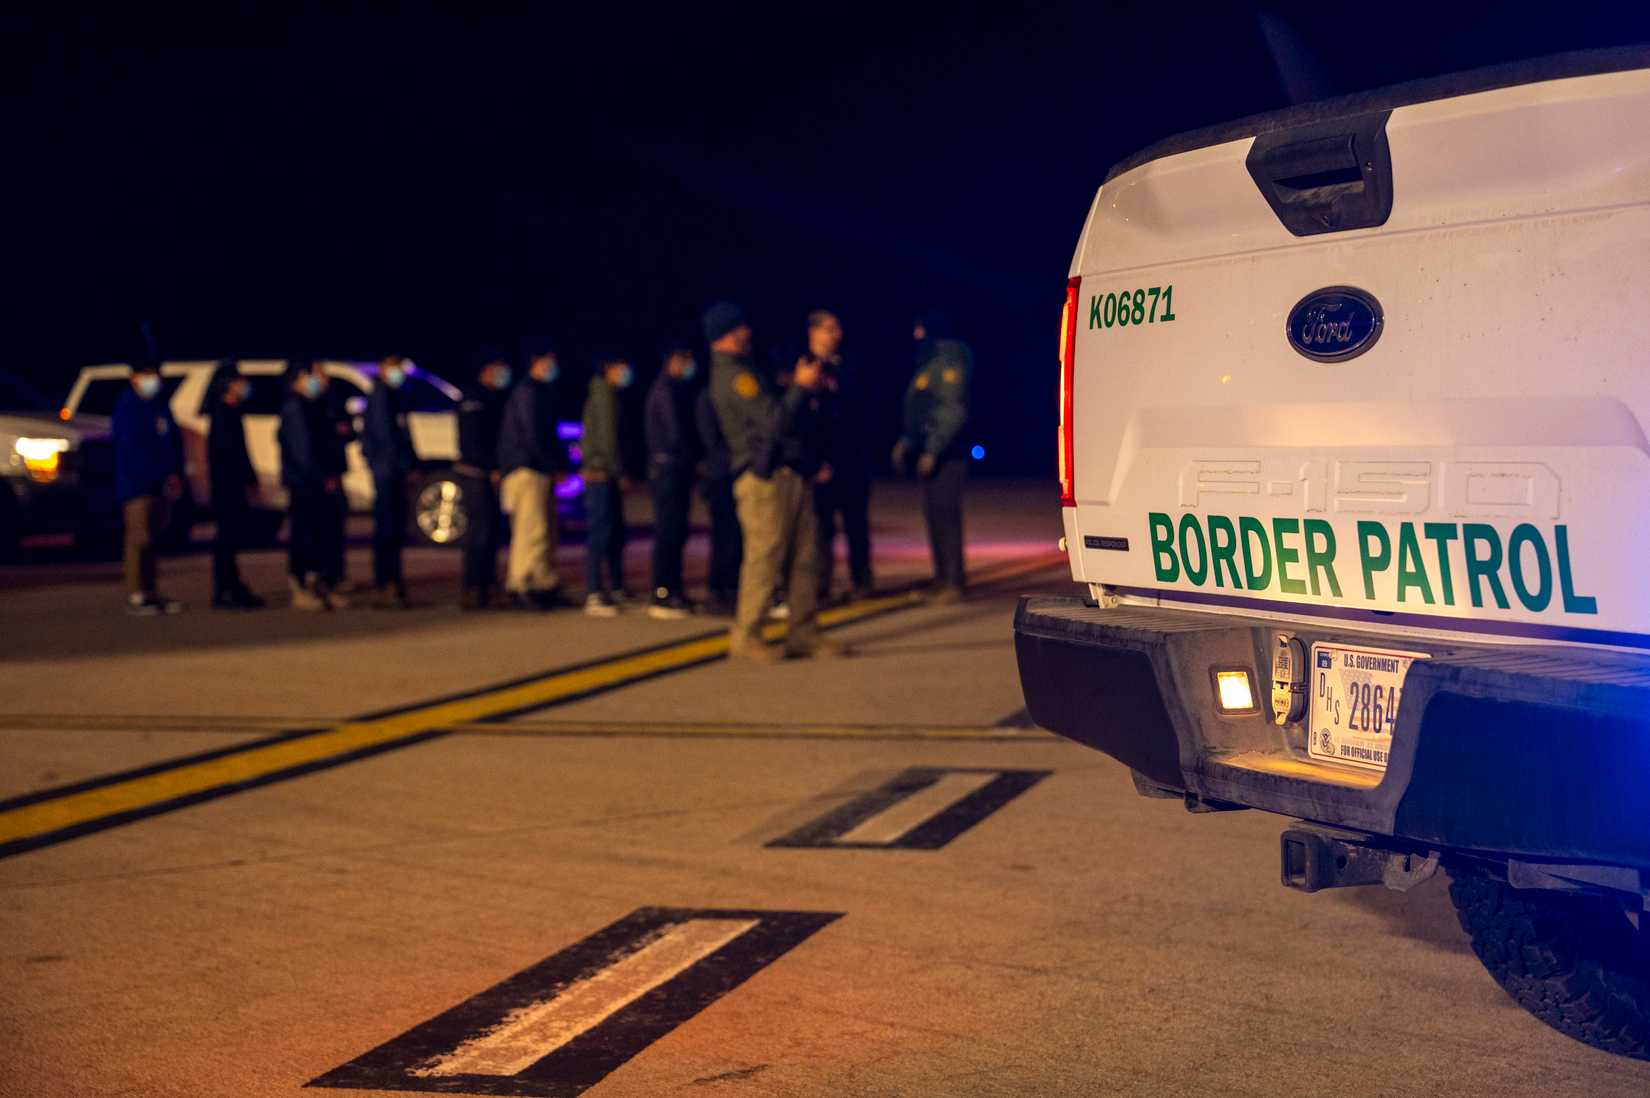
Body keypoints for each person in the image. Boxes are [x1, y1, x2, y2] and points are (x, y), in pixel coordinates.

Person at [705, 300, 840, 660]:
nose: (747, 332)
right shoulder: (735, 377)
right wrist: (799, 387)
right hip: (763, 479)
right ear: (725, 335)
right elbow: (773, 421)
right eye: (740, 328)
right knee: (764, 559)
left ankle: (804, 631)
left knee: (805, 556)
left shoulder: (747, 367)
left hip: (789, 473)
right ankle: (747, 634)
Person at [893, 310, 973, 602]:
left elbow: (952, 410)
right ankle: (942, 579)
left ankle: (953, 581)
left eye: (921, 328)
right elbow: (920, 408)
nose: (916, 334)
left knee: (945, 516)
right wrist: (907, 441)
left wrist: (933, 449)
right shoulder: (929, 361)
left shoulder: (949, 361)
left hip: (947, 455)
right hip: (932, 450)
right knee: (934, 515)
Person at [805, 309, 873, 603]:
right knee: (820, 529)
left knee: (856, 524)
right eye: (829, 329)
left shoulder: (851, 366)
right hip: (819, 462)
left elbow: (861, 410)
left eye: (837, 329)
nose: (836, 335)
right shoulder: (802, 367)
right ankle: (821, 584)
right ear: (813, 332)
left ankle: (862, 580)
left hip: (851, 459)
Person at [497, 350, 569, 610]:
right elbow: (533, 435)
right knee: (531, 530)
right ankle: (521, 585)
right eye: (548, 362)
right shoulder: (528, 393)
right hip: (527, 470)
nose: (553, 366)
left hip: (537, 469)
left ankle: (542, 584)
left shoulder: (540, 392)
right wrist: (553, 466)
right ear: (535, 363)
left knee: (544, 530)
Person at [111, 360, 185, 615]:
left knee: (153, 540)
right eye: (148, 374)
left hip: (159, 485)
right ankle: (136, 594)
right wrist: (155, 473)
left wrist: (174, 472)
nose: (154, 379)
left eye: (156, 374)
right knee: (138, 540)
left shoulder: (159, 405)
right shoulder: (128, 407)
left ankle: (151, 591)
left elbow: (172, 440)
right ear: (134, 378)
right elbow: (132, 449)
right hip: (137, 485)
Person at [278, 360, 348, 610]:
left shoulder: (316, 405)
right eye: (313, 376)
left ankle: (320, 584)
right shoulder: (295, 408)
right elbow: (304, 451)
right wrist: (323, 476)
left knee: (320, 534)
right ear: (298, 379)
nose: (319, 380)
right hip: (305, 482)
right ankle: (300, 584)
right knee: (304, 534)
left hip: (316, 481)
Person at [643, 346, 700, 619]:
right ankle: (662, 592)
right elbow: (676, 433)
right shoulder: (665, 391)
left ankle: (674, 589)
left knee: (677, 532)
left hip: (674, 469)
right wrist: (694, 456)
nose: (689, 365)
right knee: (668, 532)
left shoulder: (673, 390)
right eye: (685, 359)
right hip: (668, 470)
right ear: (672, 360)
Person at [580, 355, 637, 616]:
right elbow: (608, 439)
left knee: (614, 532)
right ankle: (594, 593)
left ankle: (615, 587)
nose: (626, 371)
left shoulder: (609, 394)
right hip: (601, 474)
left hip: (604, 473)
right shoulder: (604, 397)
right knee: (601, 533)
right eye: (621, 366)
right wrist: (619, 471)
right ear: (608, 368)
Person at [206, 362, 265, 610]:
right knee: (225, 539)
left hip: (233, 485)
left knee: (230, 538)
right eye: (240, 381)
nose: (244, 385)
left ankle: (231, 585)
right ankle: (225, 589)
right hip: (226, 486)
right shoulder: (222, 413)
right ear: (228, 384)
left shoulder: (232, 411)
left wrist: (250, 478)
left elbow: (241, 452)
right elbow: (226, 455)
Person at [361, 354, 418, 609]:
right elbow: (387, 439)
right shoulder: (381, 397)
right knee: (387, 527)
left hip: (392, 470)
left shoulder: (394, 396)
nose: (399, 374)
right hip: (387, 472)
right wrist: (405, 466)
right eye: (394, 369)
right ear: (384, 369)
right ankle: (386, 582)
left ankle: (391, 580)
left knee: (393, 527)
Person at [456, 355, 512, 609]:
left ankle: (488, 585)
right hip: (476, 474)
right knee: (478, 534)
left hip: (490, 474)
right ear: (487, 369)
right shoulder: (473, 398)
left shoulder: (494, 397)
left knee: (491, 533)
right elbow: (474, 440)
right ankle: (473, 588)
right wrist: (489, 467)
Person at [694, 385, 740, 617]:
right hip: (720, 476)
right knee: (724, 536)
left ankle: (729, 588)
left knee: (733, 536)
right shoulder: (710, 395)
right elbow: (711, 440)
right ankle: (719, 590)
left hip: (728, 474)